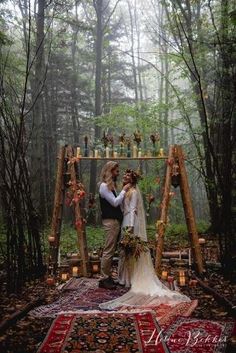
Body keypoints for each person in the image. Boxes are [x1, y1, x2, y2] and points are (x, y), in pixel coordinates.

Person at [100, 169, 190, 309]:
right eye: (123, 175)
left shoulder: (134, 192)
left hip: (129, 222)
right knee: (124, 251)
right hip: (124, 221)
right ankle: (124, 277)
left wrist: (129, 227)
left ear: (132, 180)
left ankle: (130, 278)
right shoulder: (124, 191)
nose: (124, 177)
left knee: (130, 250)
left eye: (127, 176)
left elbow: (132, 210)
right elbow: (121, 206)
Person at [98, 161, 130, 290]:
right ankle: (104, 278)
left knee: (111, 250)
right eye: (116, 171)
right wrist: (123, 191)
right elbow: (115, 203)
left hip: (115, 221)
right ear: (110, 171)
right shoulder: (103, 186)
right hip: (110, 222)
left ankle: (108, 277)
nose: (118, 173)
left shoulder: (110, 186)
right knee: (108, 251)